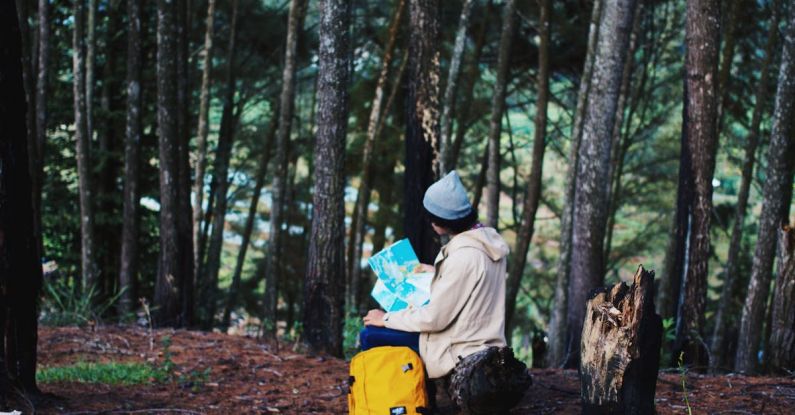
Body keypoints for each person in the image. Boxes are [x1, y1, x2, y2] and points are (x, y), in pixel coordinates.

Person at [361, 170, 509, 380]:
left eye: (432, 219)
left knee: (370, 334)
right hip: (479, 336)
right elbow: (473, 285)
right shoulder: (487, 243)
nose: (430, 223)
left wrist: (384, 318)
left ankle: (398, 403)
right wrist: (436, 273)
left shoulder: (464, 256)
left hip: (457, 345)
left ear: (442, 221)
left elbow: (434, 319)